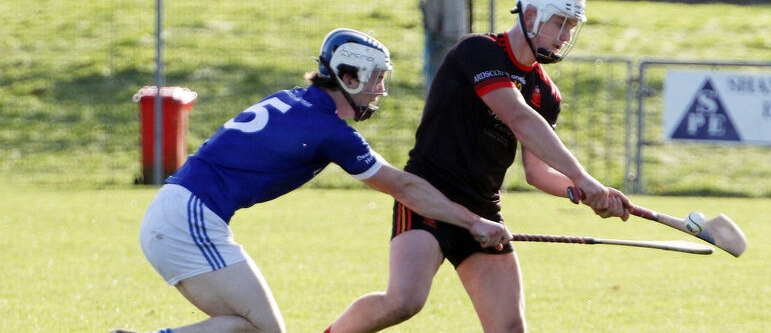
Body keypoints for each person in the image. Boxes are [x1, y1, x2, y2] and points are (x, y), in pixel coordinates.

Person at [112, 28, 512, 333]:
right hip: (188, 220)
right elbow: (404, 187)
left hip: (178, 214)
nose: (380, 90)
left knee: (250, 328)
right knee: (261, 330)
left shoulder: (295, 101)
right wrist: (473, 221)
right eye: (375, 79)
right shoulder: (328, 130)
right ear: (349, 77)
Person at [327, 0, 633, 333]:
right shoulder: (479, 51)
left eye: (572, 27)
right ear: (530, 15)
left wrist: (581, 191)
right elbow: (518, 117)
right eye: (560, 23)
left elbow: (536, 172)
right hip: (428, 197)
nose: (566, 36)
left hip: (484, 211)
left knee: (509, 328)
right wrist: (583, 176)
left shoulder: (546, 93)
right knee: (404, 301)